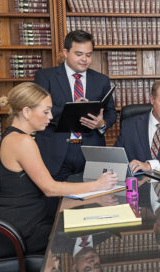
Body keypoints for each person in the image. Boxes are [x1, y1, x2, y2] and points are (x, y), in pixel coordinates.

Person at [0, 82, 117, 258]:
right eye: (45, 111)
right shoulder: (23, 142)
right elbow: (50, 189)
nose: (50, 117)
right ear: (26, 112)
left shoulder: (14, 136)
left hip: (27, 220)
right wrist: (98, 184)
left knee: (87, 223)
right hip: (22, 230)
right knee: (86, 235)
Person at [34, 30, 117, 182]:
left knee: (93, 202)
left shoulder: (101, 80)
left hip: (91, 152)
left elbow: (111, 112)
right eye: (79, 54)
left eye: (89, 55)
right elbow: (37, 111)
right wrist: (71, 109)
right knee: (55, 202)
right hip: (56, 151)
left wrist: (101, 123)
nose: (84, 59)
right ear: (65, 52)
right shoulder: (45, 77)